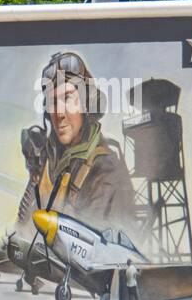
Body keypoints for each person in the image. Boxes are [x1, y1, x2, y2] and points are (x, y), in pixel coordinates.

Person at [18, 51, 138, 235]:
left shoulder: (106, 172)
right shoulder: (47, 160)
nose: (59, 113)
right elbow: (22, 227)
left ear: (86, 102)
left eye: (67, 98)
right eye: (52, 102)